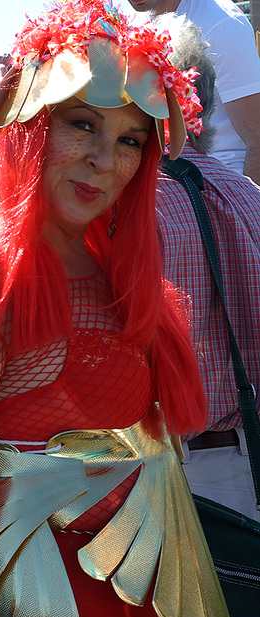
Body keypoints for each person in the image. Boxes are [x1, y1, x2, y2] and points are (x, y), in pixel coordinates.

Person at [0, 2, 231, 617]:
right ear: (33, 123)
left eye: (128, 140)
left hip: (150, 604)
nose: (103, 160)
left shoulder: (114, 267)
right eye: (82, 124)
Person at [152, 14, 260, 523]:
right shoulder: (251, 199)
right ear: (208, 106)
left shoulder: (129, 209)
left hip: (168, 471)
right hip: (250, 455)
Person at [124, 0, 260, 184]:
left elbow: (257, 136)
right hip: (160, 181)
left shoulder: (223, 23)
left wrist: (247, 207)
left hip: (216, 192)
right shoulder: (129, 14)